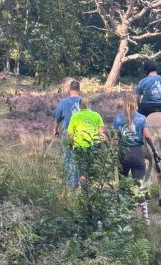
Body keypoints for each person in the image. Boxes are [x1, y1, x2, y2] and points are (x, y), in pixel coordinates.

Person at [111, 92, 154, 221]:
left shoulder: (118, 119)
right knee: (138, 186)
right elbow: (147, 136)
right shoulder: (141, 118)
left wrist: (112, 152)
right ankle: (145, 217)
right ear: (136, 104)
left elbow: (114, 138)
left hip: (123, 154)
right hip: (138, 154)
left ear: (124, 104)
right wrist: (154, 150)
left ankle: (123, 215)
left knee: (122, 185)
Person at [66, 96, 107, 184]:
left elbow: (70, 134)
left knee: (82, 169)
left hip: (79, 145)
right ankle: (86, 185)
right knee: (89, 167)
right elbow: (101, 132)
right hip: (95, 145)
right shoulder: (96, 115)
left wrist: (71, 145)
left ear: (79, 106)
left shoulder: (75, 116)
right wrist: (104, 142)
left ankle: (83, 186)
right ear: (89, 105)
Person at [52, 79, 82, 188]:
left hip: (68, 133)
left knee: (68, 157)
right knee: (80, 158)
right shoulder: (84, 102)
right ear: (79, 89)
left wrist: (55, 130)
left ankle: (70, 185)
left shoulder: (63, 102)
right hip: (82, 133)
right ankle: (80, 184)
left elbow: (57, 118)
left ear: (69, 90)